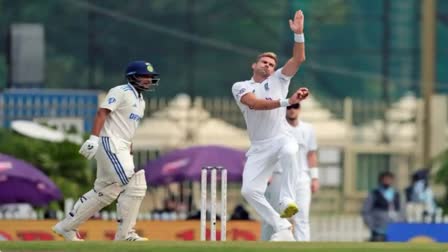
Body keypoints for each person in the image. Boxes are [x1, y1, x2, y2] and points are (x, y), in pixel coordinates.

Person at [52, 60, 160, 241]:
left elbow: (127, 127)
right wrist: (93, 139)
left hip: (123, 146)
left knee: (106, 190)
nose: (149, 80)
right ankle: (125, 234)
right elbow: (102, 112)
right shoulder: (121, 91)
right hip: (110, 143)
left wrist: (129, 147)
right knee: (135, 183)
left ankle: (66, 227)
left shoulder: (141, 102)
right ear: (133, 77)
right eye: (144, 76)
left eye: (150, 77)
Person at [231, 10, 308, 241]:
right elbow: (254, 105)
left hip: (280, 137)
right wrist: (288, 101)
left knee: (290, 149)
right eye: (264, 62)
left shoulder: (279, 79)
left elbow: (298, 59)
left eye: (271, 64)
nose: (268, 65)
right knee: (249, 191)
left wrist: (299, 34)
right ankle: (282, 227)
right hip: (258, 146)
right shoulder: (240, 86)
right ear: (254, 65)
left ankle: (286, 199)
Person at [261, 102, 319, 241]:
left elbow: (311, 154)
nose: (292, 110)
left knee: (302, 218)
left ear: (299, 109)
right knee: (274, 215)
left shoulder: (308, 129)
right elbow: (269, 153)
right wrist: (267, 174)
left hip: (301, 178)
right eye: (289, 107)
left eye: (295, 107)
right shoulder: (276, 128)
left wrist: (315, 178)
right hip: (280, 177)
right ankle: (266, 244)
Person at [361, 171, 404, 241]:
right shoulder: (374, 193)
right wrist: (371, 225)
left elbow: (402, 210)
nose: (387, 181)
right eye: (385, 179)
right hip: (379, 228)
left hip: (395, 227)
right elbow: (366, 211)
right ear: (381, 180)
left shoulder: (397, 194)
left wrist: (401, 222)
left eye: (389, 179)